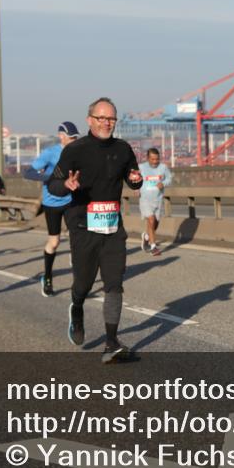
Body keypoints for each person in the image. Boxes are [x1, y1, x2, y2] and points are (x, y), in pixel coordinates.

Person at [47, 99, 143, 363]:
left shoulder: (123, 149)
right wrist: (66, 184)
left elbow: (133, 179)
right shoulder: (75, 150)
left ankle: (111, 343)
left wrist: (136, 180)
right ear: (90, 119)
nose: (106, 123)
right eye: (101, 118)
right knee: (84, 284)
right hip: (82, 224)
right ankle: (76, 307)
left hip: (112, 225)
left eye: (111, 119)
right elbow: (53, 185)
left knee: (114, 283)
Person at [25, 121, 79, 296]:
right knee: (54, 242)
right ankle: (47, 277)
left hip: (71, 200)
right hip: (52, 202)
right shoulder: (50, 153)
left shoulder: (78, 153)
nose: (73, 140)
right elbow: (28, 172)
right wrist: (51, 177)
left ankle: (79, 284)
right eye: (71, 138)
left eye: (75, 137)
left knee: (77, 237)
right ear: (61, 136)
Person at [138, 147, 172, 256]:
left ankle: (147, 236)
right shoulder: (141, 167)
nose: (155, 162)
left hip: (158, 199)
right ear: (147, 158)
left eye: (157, 159)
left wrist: (164, 183)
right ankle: (153, 247)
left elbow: (169, 178)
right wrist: (135, 188)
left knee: (155, 223)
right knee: (151, 220)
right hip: (145, 199)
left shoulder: (163, 167)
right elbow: (134, 179)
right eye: (152, 159)